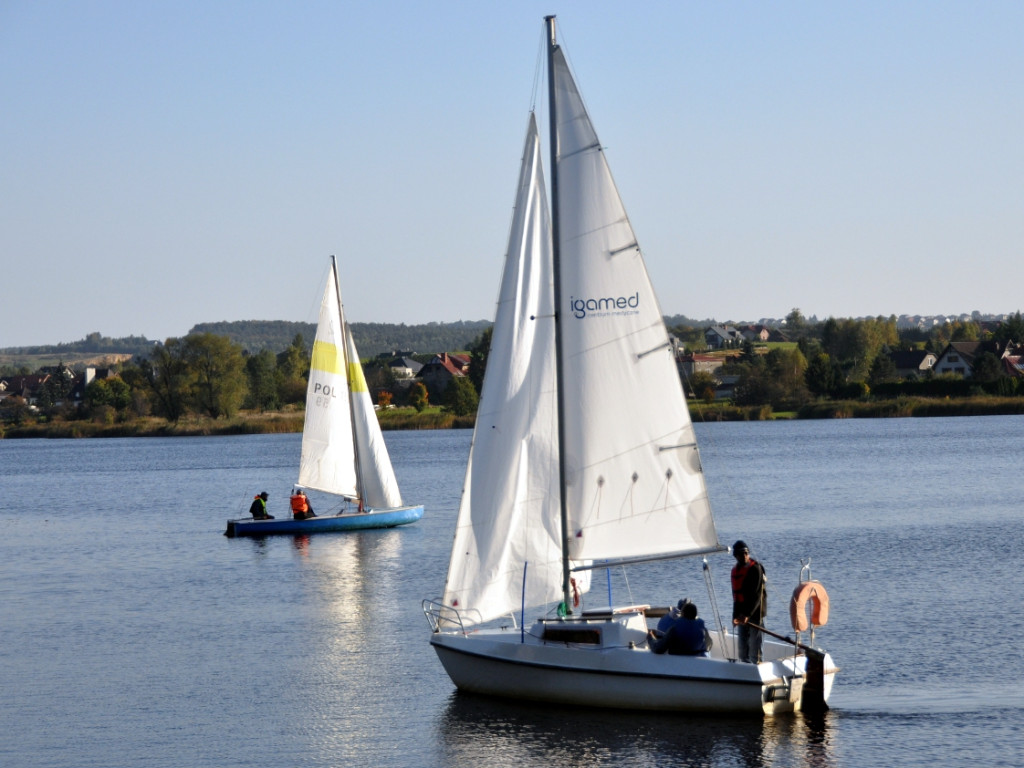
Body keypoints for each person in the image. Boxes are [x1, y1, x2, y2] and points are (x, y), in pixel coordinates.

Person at [731, 539, 767, 663]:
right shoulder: (735, 571)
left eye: (746, 553)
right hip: (742, 615)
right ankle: (744, 672)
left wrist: (747, 615)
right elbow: (735, 596)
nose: (745, 556)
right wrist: (735, 616)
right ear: (736, 556)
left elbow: (757, 596)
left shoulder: (755, 569)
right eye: (741, 554)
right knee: (742, 650)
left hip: (755, 615)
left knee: (754, 651)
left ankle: (756, 668)